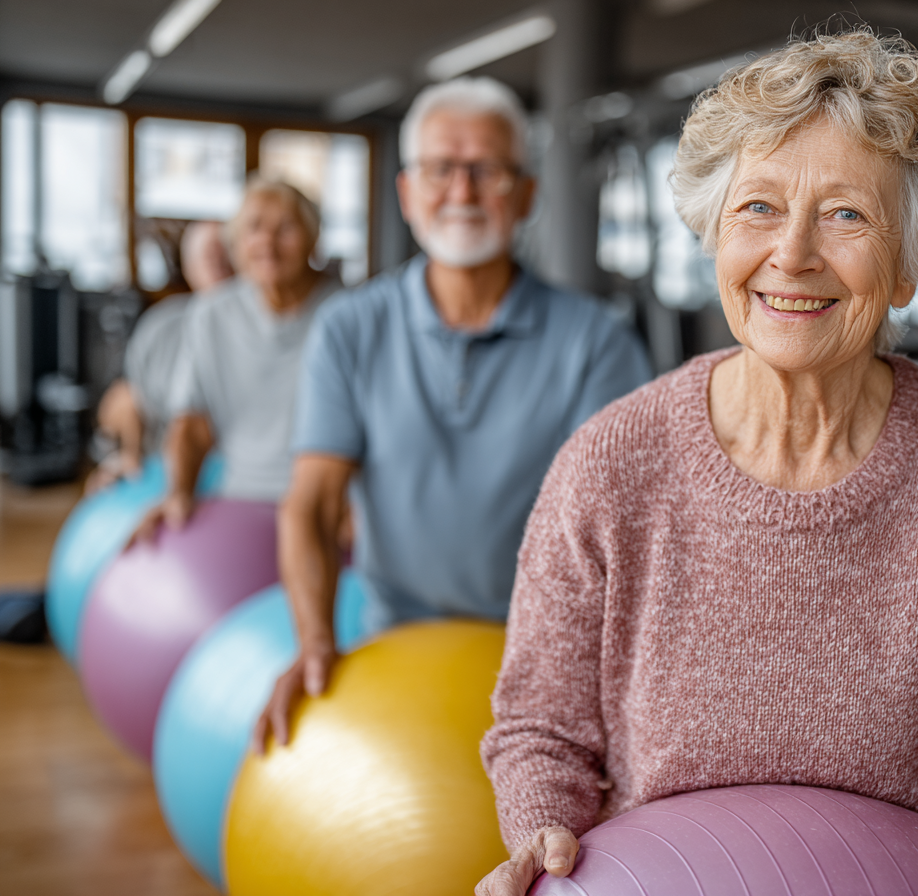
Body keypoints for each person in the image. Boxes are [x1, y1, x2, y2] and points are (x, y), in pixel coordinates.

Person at [477, 32, 918, 896]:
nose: (792, 254)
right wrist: (544, 836)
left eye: (845, 215)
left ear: (907, 266)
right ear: (714, 233)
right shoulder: (612, 462)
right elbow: (541, 727)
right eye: (758, 207)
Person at [250, 77, 651, 752]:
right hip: (392, 644)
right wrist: (315, 642)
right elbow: (312, 505)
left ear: (525, 194)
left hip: (548, 664)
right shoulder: (350, 328)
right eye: (440, 169)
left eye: (485, 171)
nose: (461, 193)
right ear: (408, 193)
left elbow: (624, 526)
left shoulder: (596, 340)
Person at [132, 179, 340, 539]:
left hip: (328, 504)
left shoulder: (348, 314)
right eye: (254, 228)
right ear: (236, 244)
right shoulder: (210, 314)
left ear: (313, 238)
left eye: (286, 228)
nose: (268, 244)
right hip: (238, 503)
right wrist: (178, 493)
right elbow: (191, 423)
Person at [89, 220, 233, 492]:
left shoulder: (267, 332)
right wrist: (123, 455)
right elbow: (122, 399)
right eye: (209, 255)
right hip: (159, 470)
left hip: (234, 474)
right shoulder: (162, 324)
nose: (219, 262)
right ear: (189, 266)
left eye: (227, 252)